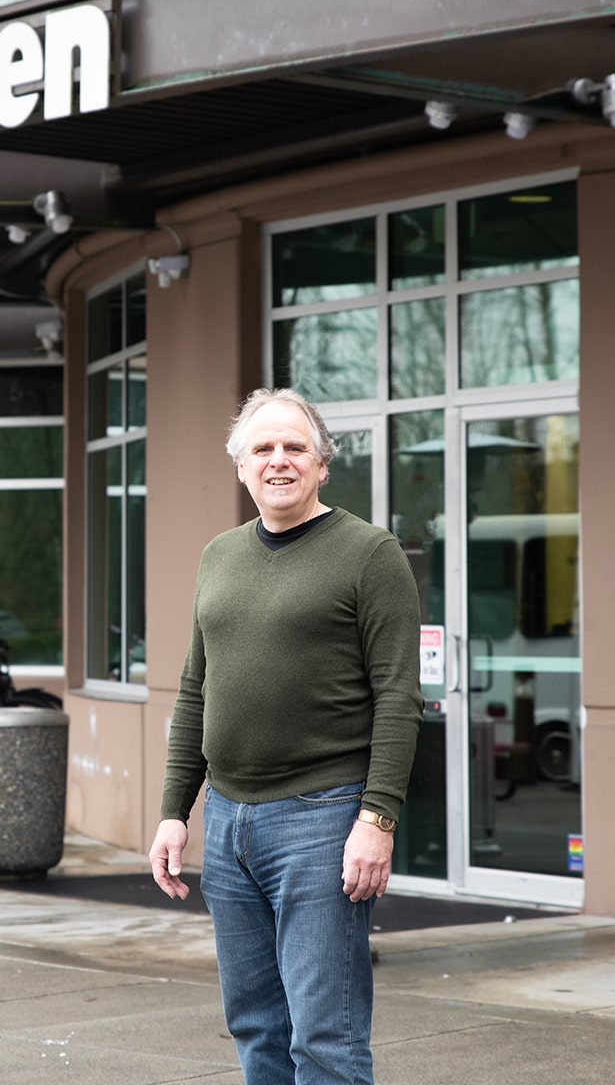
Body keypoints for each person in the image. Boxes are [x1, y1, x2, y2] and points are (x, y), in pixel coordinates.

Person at [150, 387, 422, 1085]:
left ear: (323, 464)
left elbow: (399, 696)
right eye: (262, 449)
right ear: (240, 466)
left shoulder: (370, 554)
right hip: (229, 823)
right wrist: (173, 813)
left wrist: (378, 818)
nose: (279, 461)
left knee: (324, 1038)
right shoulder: (219, 556)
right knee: (256, 1027)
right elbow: (194, 689)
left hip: (323, 820)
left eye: (295, 447)